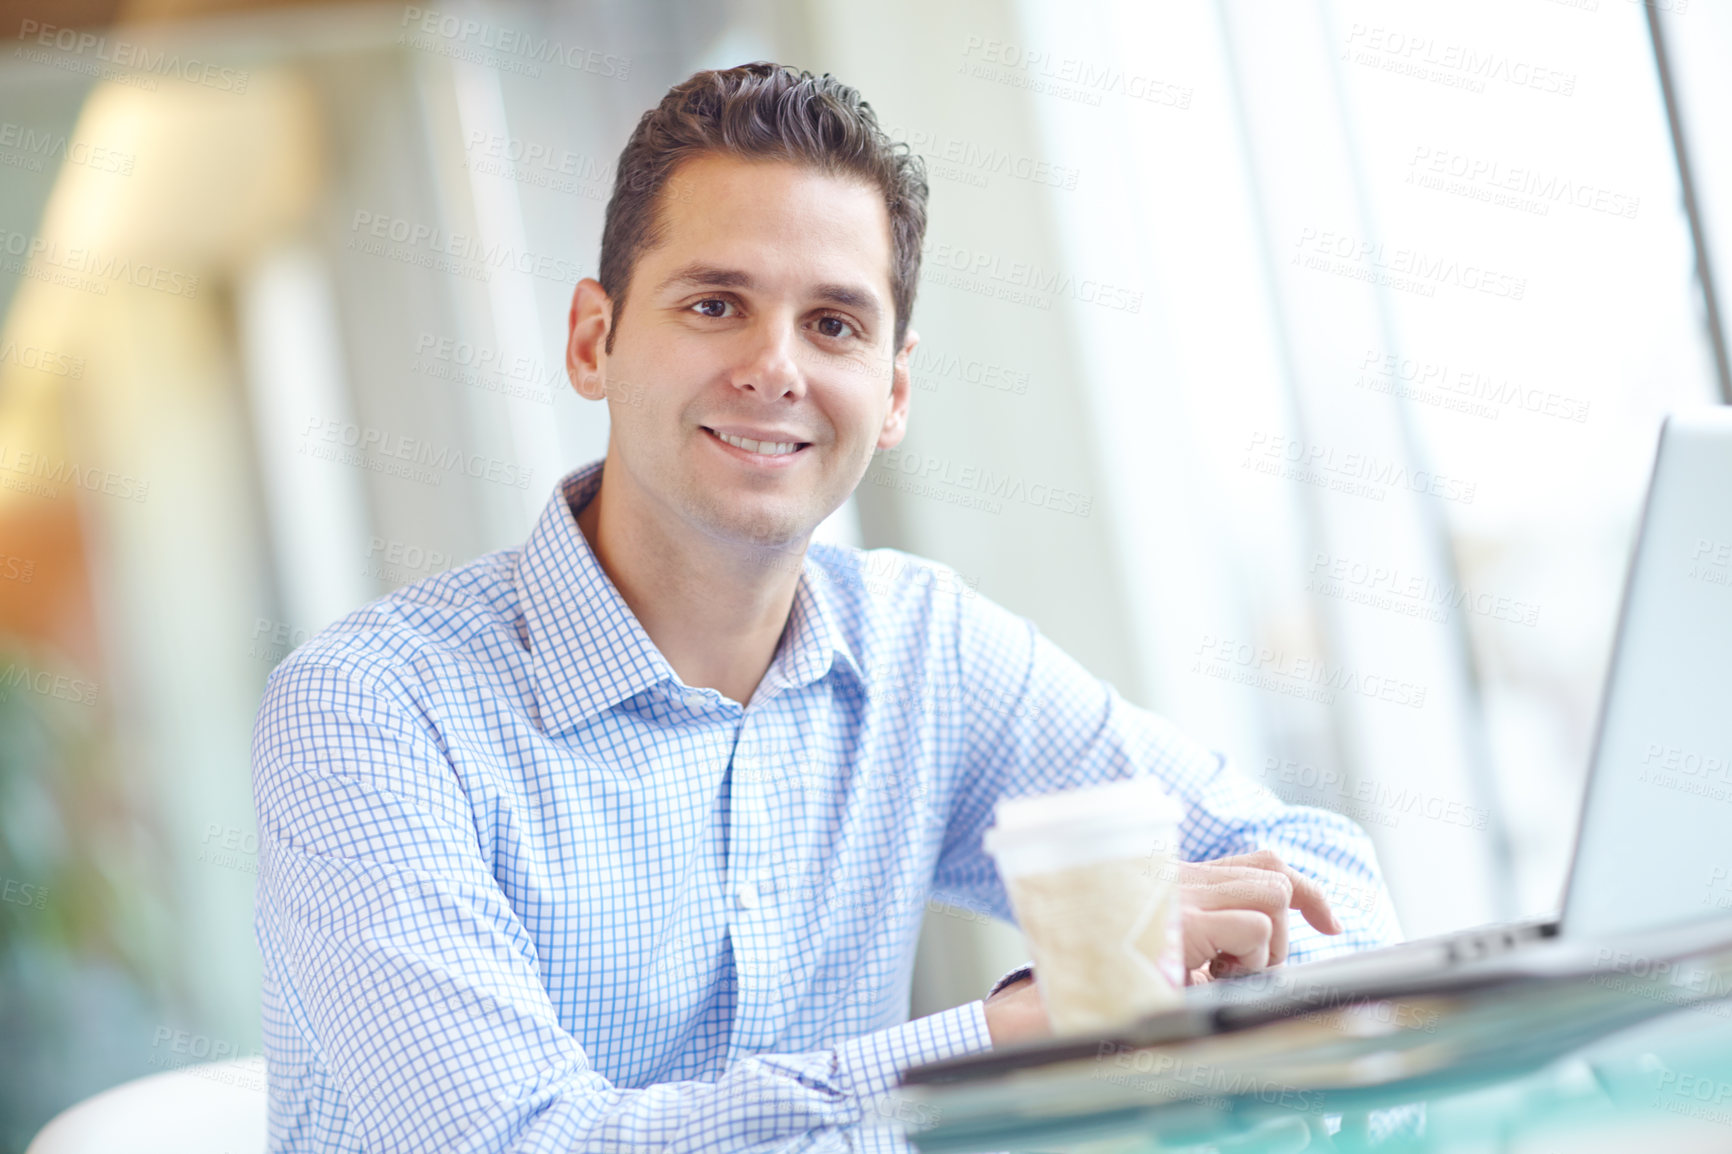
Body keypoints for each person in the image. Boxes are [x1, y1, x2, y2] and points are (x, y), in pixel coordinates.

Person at [252, 61, 1401, 1153]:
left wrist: (1135, 963)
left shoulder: (920, 648)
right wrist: (1006, 1034)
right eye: (714, 305)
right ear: (593, 340)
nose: (776, 368)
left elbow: (1322, 876)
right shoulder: (370, 710)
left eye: (836, 325)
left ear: (891, 392)